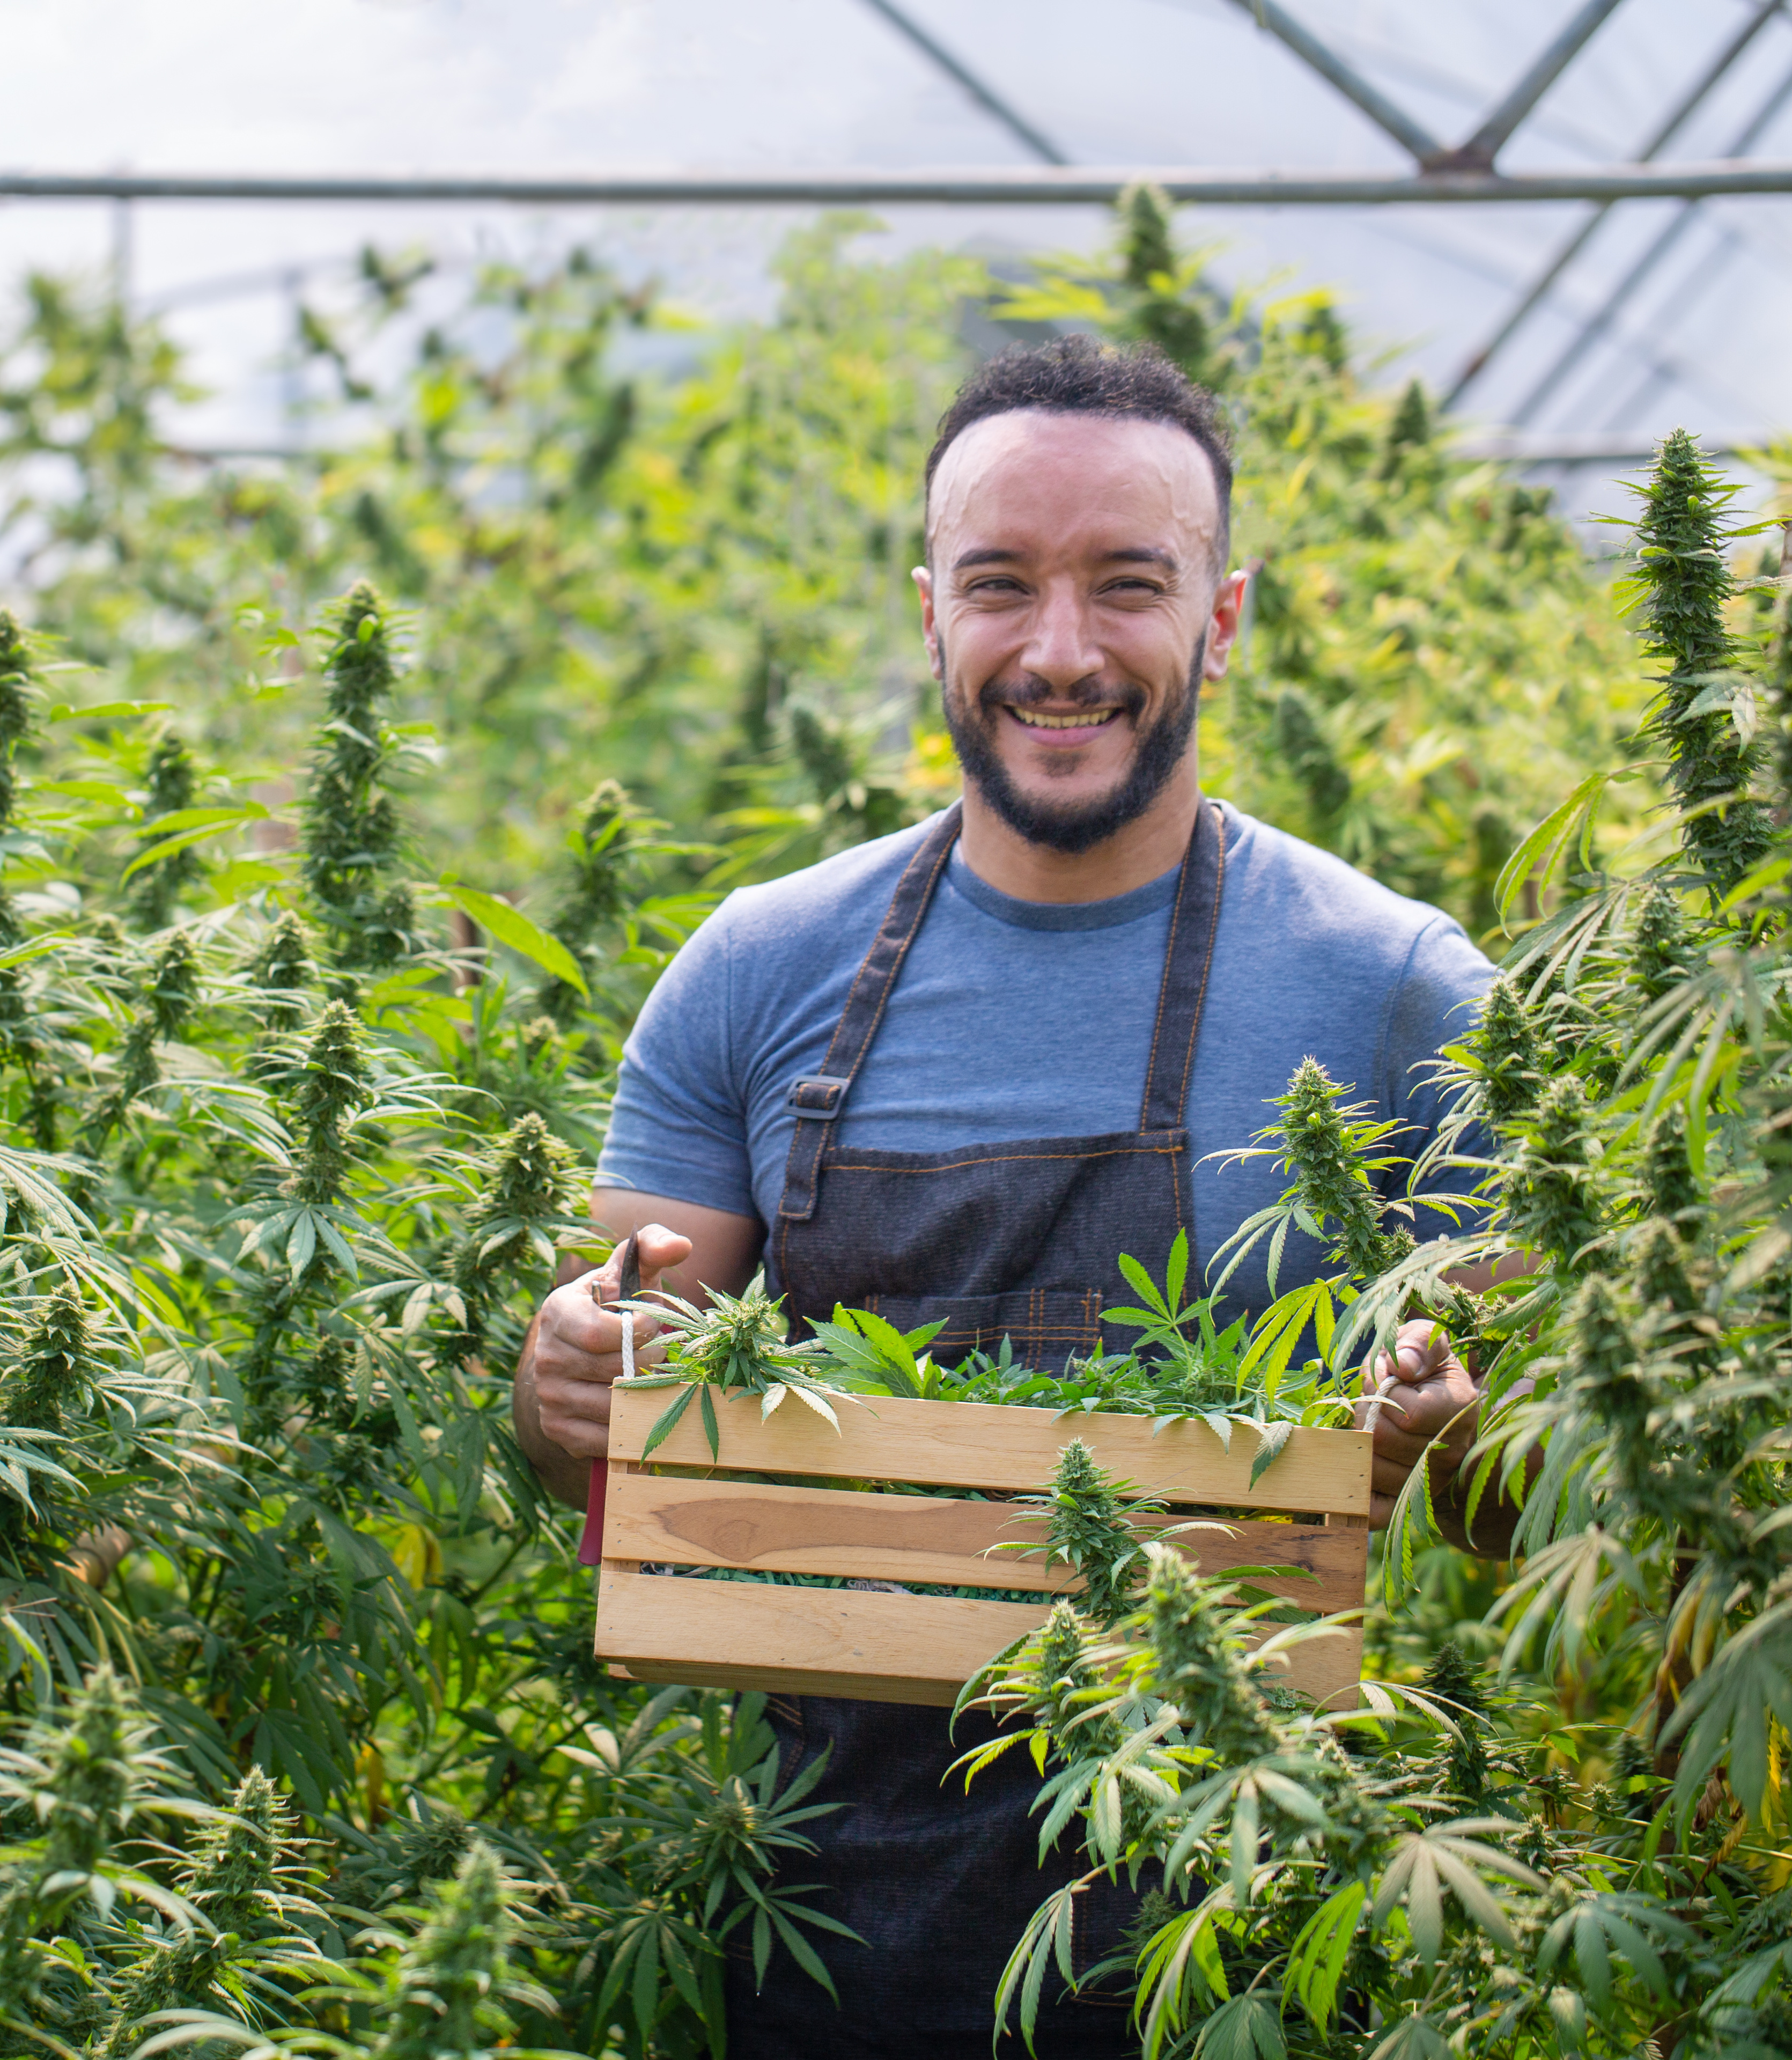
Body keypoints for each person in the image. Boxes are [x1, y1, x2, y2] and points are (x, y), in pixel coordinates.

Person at [511, 335, 1504, 2058]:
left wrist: (1450, 1440)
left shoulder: (1398, 991)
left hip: (1259, 1930)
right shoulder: (757, 971)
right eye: (1001, 585)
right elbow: (605, 1457)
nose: (1061, 650)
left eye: (1128, 585)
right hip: (822, 1925)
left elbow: (1535, 1513)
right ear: (930, 615)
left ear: (1224, 616)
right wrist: (565, 1377)